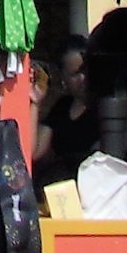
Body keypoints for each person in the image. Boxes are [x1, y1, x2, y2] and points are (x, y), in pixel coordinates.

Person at [40, 35, 100, 186]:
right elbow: (36, 152)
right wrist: (36, 102)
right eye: (75, 74)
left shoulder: (104, 107)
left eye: (86, 71)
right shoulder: (62, 107)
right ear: (62, 77)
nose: (83, 79)